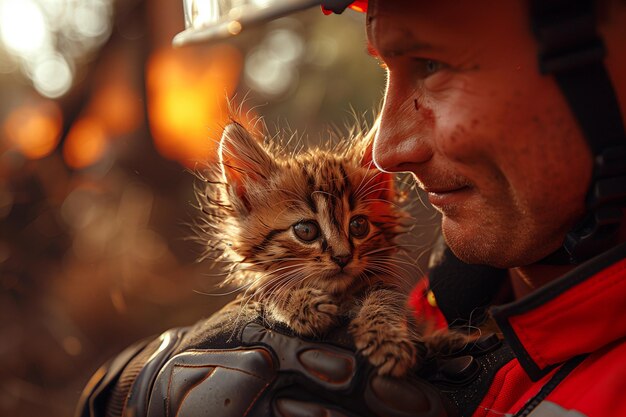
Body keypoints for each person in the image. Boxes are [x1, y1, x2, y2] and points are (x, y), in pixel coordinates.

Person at [76, 1, 626, 416]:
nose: (386, 152)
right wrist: (122, 390)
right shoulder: (454, 291)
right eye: (387, 70)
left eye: (433, 63)